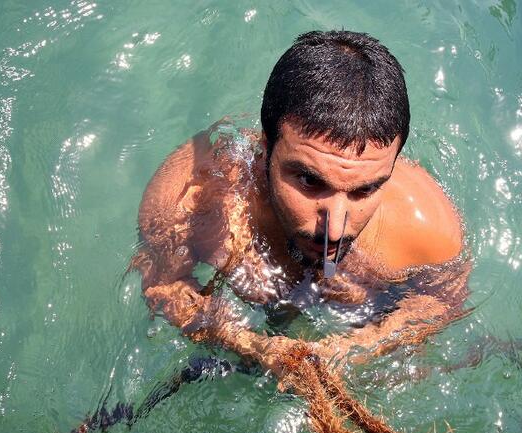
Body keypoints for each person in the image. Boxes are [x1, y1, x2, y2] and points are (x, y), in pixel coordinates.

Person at [132, 30, 470, 376]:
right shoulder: (190, 199)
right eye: (310, 181)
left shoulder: (429, 231)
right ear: (265, 148)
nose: (336, 229)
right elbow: (164, 287)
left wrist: (353, 349)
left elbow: (441, 304)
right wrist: (251, 346)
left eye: (365, 190)